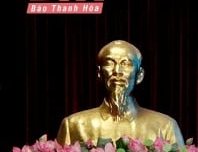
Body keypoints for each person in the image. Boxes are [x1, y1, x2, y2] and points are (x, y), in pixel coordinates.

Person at [56, 40, 184, 145]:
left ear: (139, 75)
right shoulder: (73, 125)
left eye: (126, 64)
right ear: (99, 73)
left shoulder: (165, 126)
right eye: (109, 63)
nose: (117, 71)